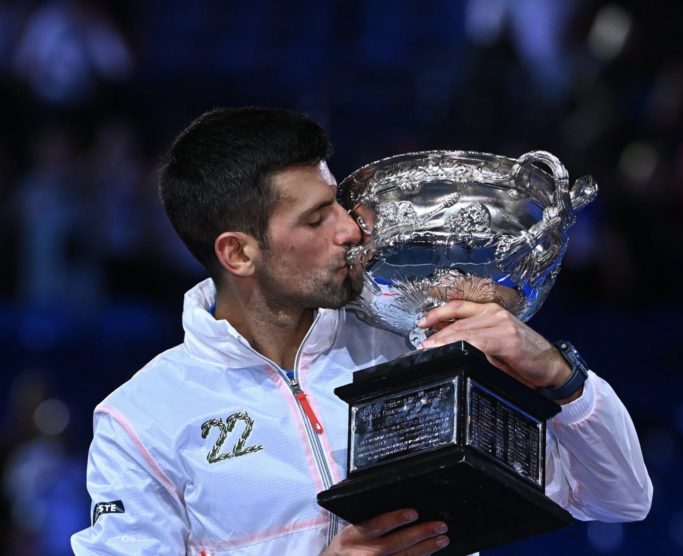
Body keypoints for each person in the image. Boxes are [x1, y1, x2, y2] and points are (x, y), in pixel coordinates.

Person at [71, 107, 652, 555]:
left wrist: (557, 373)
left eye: (340, 205)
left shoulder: (419, 341)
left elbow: (621, 498)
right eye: (317, 218)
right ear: (238, 253)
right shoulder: (142, 419)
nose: (352, 230)